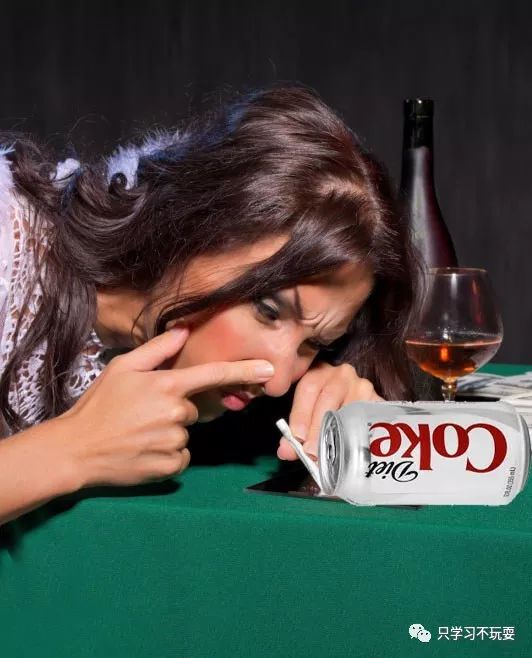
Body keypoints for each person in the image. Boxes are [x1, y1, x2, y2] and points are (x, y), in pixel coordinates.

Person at [0, 86, 417, 525]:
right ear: (191, 226)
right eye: (268, 311)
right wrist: (73, 448)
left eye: (314, 343)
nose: (277, 381)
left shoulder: (242, 395)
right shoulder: (9, 240)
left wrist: (342, 418)